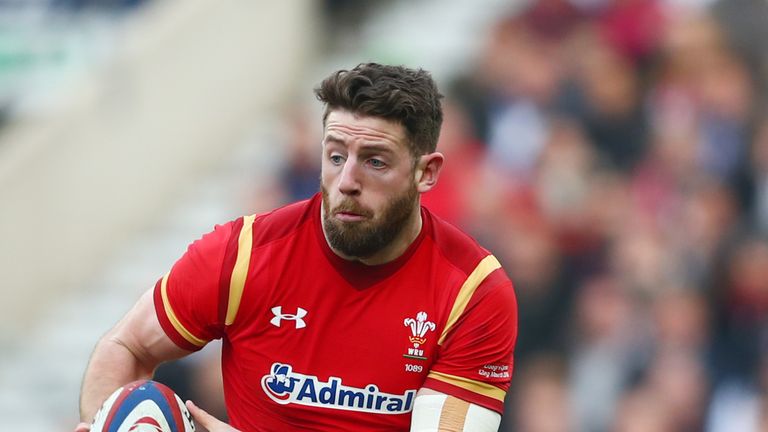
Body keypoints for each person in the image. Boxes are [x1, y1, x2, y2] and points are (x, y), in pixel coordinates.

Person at [75, 63, 518, 432]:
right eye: (336, 155)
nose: (347, 182)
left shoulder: (473, 293)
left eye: (375, 161)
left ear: (427, 173)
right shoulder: (243, 254)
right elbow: (127, 347)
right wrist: (103, 420)